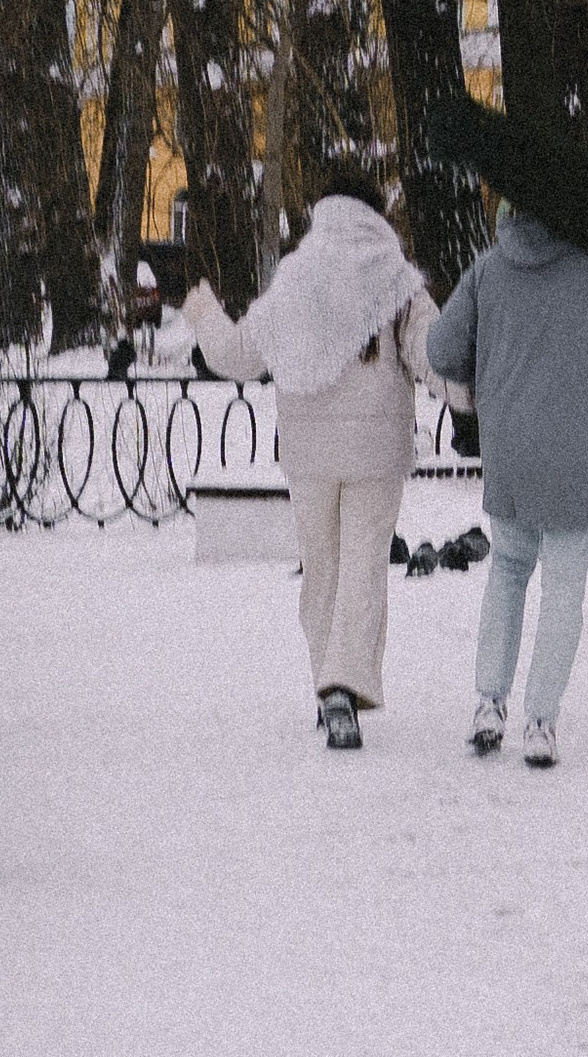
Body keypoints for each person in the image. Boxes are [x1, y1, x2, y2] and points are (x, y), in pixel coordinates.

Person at [426, 168, 588, 769]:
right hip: (581, 455)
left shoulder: (487, 272)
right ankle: (540, 721)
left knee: (508, 573)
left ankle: (488, 703)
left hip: (511, 449)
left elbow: (440, 351)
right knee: (564, 588)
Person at [183, 168, 435, 751]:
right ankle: (344, 681)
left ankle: (331, 690)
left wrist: (203, 312)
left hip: (308, 454)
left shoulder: (296, 278)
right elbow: (431, 352)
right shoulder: (397, 281)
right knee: (364, 565)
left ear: (322, 211)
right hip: (378, 452)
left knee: (322, 567)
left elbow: (239, 356)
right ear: (376, 214)